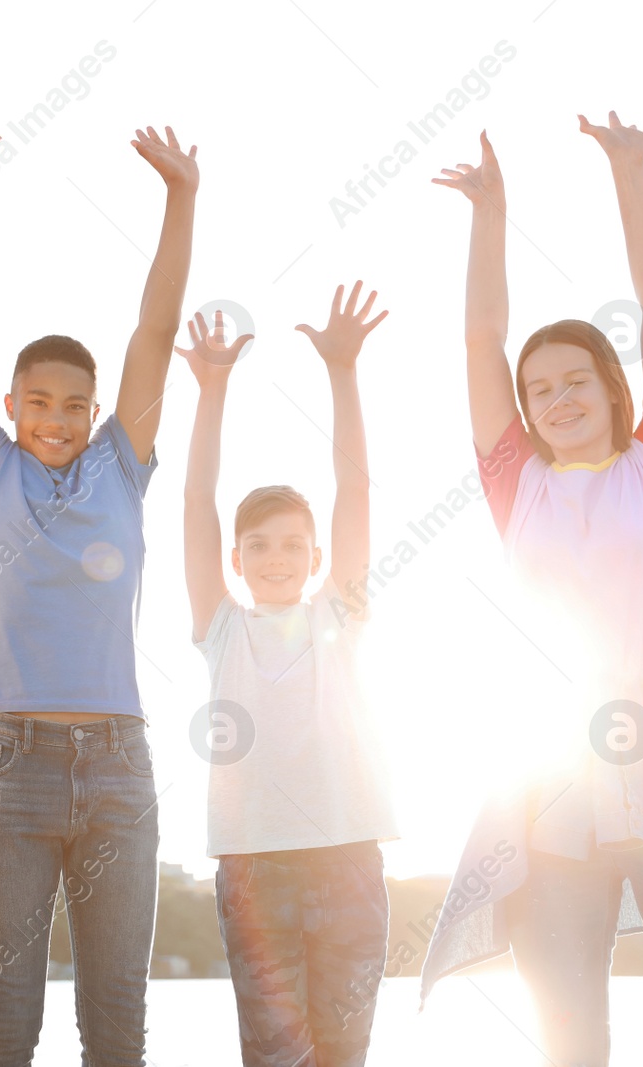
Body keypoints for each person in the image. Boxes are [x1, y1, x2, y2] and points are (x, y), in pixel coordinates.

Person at [419, 115, 643, 1066]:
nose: (557, 397)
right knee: (568, 1040)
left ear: (612, 389)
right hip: (553, 783)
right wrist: (491, 212)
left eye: (577, 379)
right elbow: (479, 338)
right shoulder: (516, 484)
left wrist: (628, 173)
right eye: (539, 388)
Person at [0, 102, 197, 1065]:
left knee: (118, 1013)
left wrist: (182, 197)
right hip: (9, 766)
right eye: (38, 402)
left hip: (121, 764)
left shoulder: (121, 465)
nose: (57, 419)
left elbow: (155, 327)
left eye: (74, 405)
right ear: (9, 405)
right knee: (8, 1016)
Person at [180, 288, 396, 1066]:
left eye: (293, 545)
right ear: (237, 560)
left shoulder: (341, 617)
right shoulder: (223, 628)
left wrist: (342, 372)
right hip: (254, 866)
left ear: (317, 557)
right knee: (276, 1053)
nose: (276, 559)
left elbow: (357, 492)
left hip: (347, 855)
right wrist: (212, 391)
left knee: (343, 1050)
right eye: (259, 546)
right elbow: (196, 500)